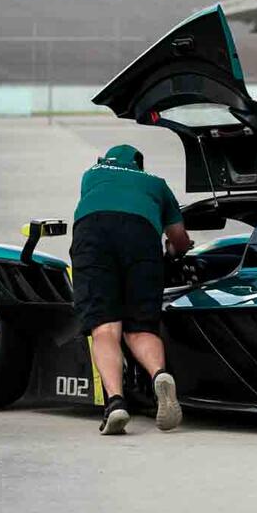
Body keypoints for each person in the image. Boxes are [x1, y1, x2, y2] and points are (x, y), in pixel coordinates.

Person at [71, 144, 190, 435]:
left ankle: (115, 403)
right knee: (140, 328)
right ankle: (160, 376)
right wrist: (173, 251)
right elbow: (180, 240)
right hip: (142, 236)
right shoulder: (156, 184)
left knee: (104, 328)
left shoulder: (91, 175)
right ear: (138, 164)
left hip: (93, 233)